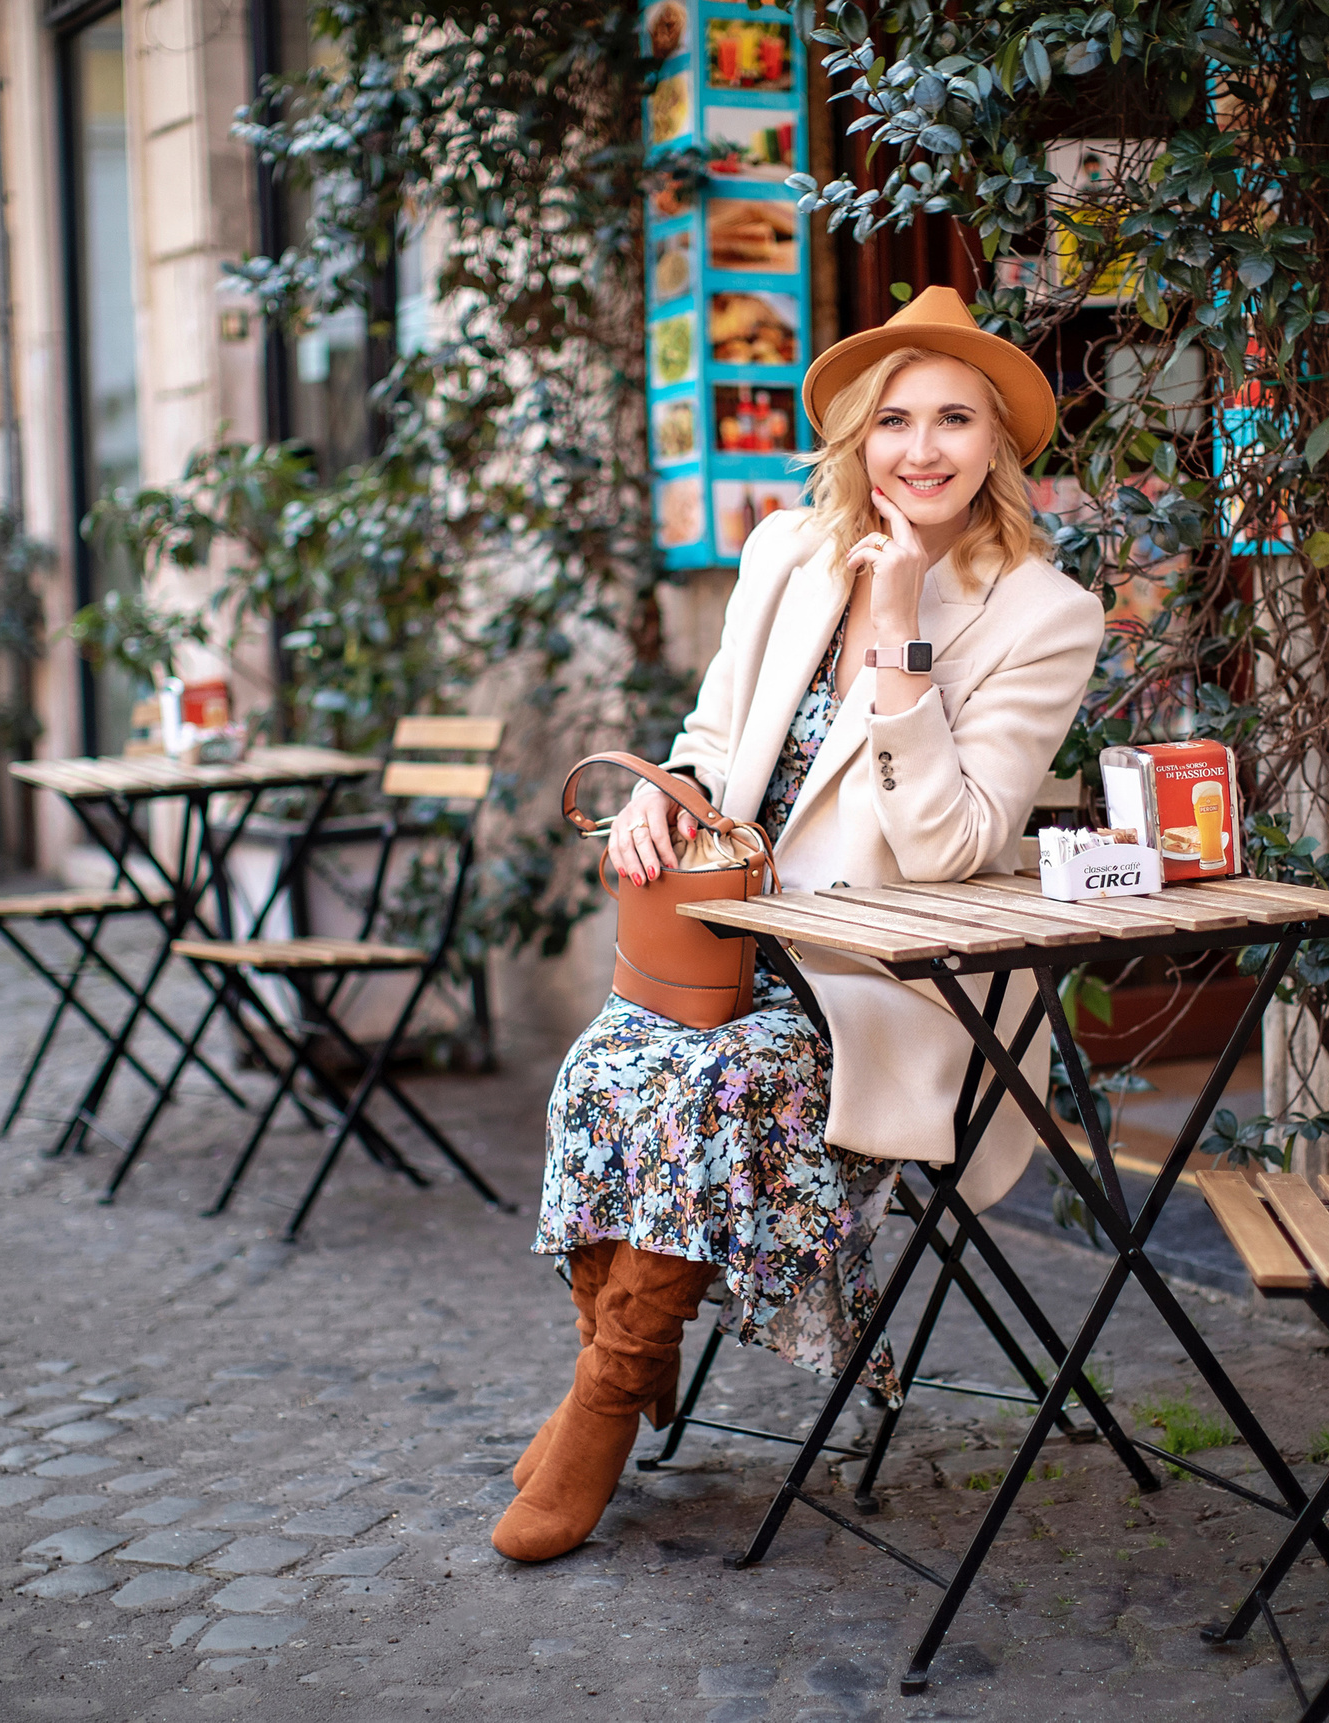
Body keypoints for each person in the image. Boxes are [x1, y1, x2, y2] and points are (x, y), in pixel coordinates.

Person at [493, 287, 1104, 1564]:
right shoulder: (784, 552)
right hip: (727, 950)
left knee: (712, 1090)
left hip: (887, 987)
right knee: (603, 1072)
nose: (922, 449)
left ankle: (605, 1403)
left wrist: (899, 644)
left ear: (997, 444)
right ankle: (615, 1357)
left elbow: (952, 846)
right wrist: (666, 805)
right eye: (894, 420)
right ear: (853, 439)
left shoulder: (1044, 613)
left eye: (954, 420)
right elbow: (716, 742)